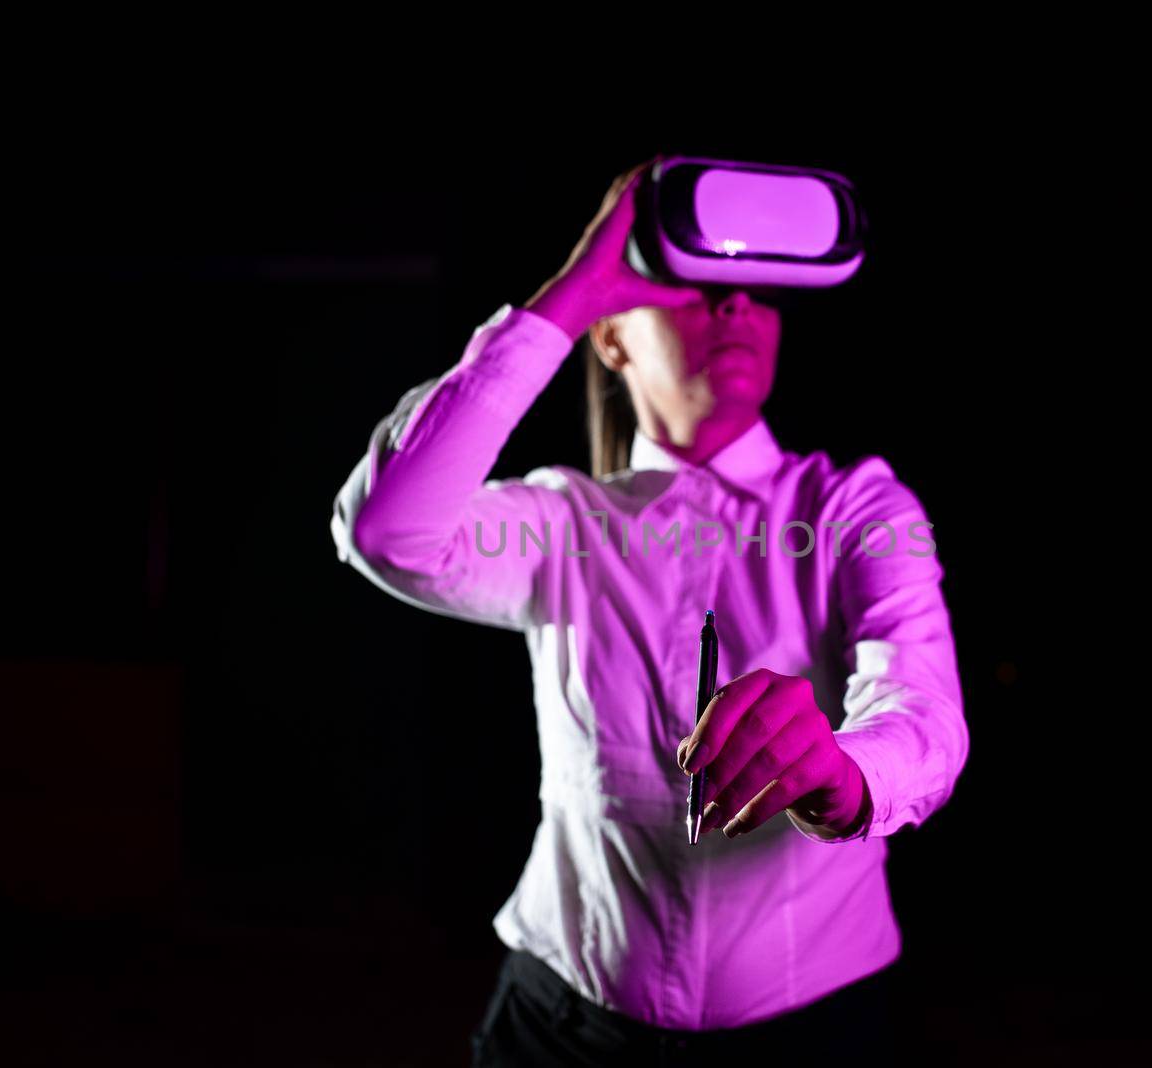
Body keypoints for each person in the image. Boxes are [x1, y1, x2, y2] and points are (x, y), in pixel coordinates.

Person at [329, 154, 969, 1066]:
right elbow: (388, 529)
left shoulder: (858, 509)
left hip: (817, 1031)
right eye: (694, 286)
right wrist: (566, 296)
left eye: (756, 289)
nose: (734, 305)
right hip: (559, 1029)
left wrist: (842, 767)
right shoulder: (558, 525)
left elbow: (927, 710)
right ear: (612, 336)